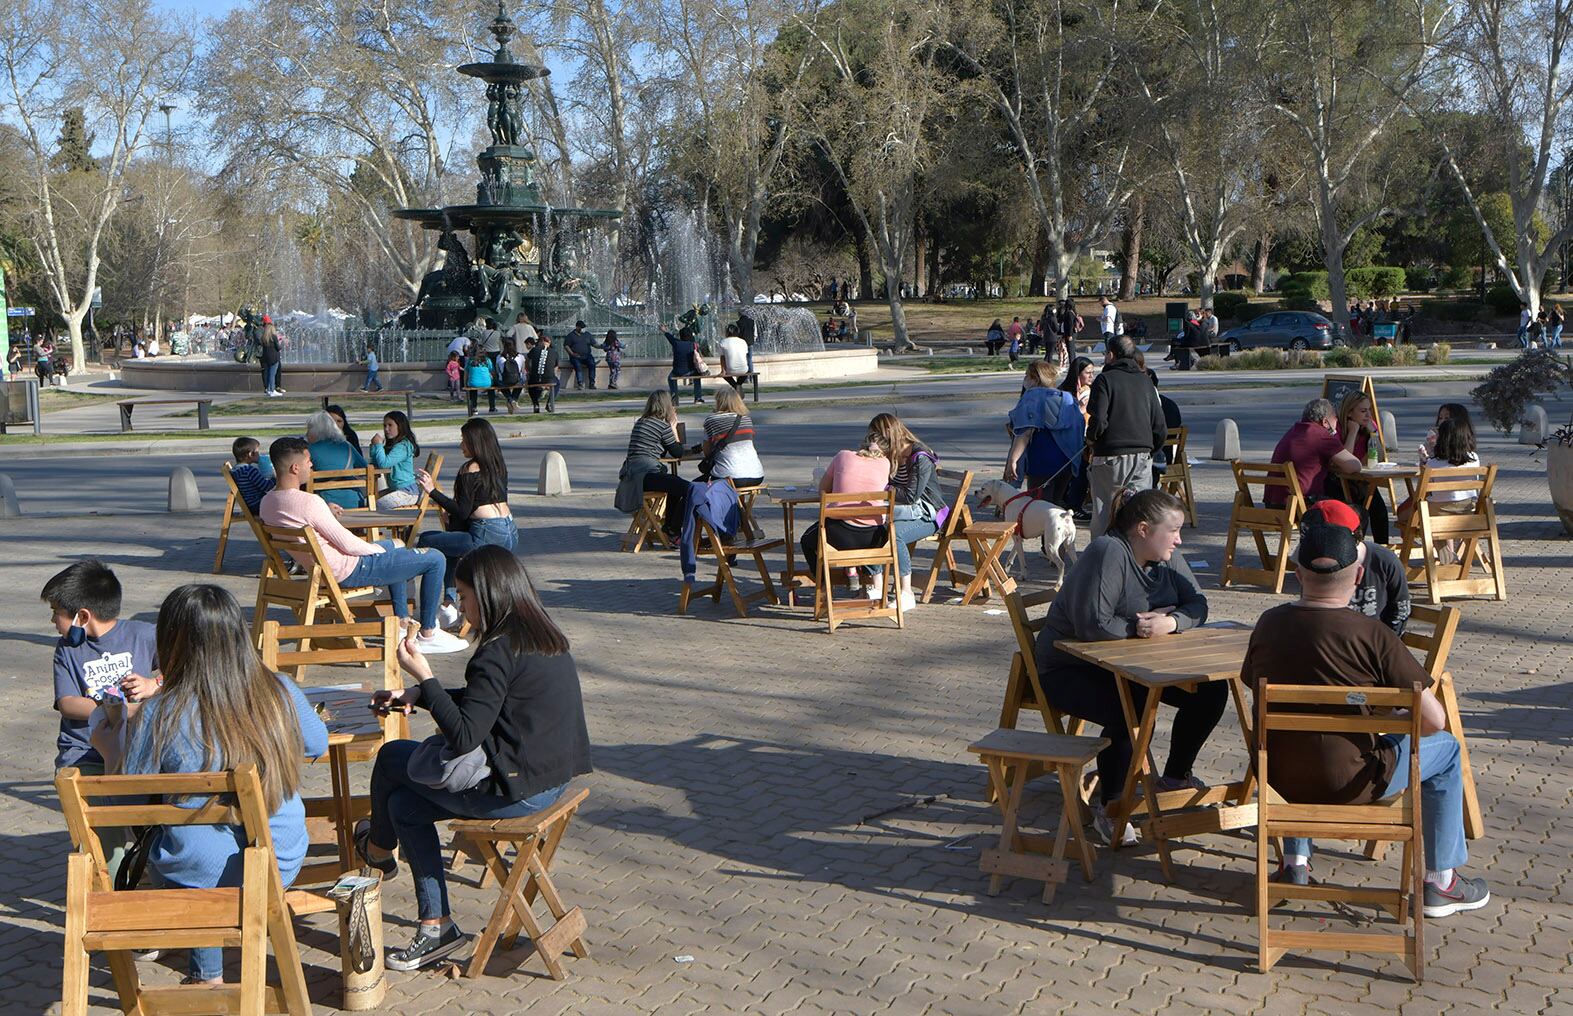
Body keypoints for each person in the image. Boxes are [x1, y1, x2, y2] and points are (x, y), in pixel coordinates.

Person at [354, 547, 592, 971]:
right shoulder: (539, 634)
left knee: (392, 756)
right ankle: (436, 925)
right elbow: (491, 702)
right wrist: (419, 696)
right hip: (551, 778)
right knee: (403, 806)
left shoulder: (496, 651)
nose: (460, 607)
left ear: (486, 594)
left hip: (517, 790)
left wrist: (424, 676)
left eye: (462, 596)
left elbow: (465, 736)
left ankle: (376, 850)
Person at [1244, 522, 1490, 917]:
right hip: (1353, 783)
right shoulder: (1373, 635)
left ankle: (1295, 865)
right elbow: (1433, 721)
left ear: (1297, 573)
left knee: (1295, 738)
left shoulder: (1268, 624)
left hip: (1280, 780)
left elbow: (1255, 684)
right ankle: (1442, 882)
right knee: (1447, 750)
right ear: (1358, 576)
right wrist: (1383, 714)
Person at [114, 583, 328, 986]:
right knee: (203, 851)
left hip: (196, 875)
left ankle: (206, 975)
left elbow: (133, 798)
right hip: (278, 859)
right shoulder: (279, 689)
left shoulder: (159, 711)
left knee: (189, 849)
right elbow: (317, 741)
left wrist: (116, 740)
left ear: (171, 642)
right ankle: (213, 971)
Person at [1033, 489, 1222, 845]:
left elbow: (1198, 603)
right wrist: (1143, 628)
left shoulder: (1167, 557)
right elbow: (1093, 626)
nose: (1180, 539)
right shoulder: (1109, 551)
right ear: (1143, 529)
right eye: (1174, 530)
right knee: (1129, 705)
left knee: (1211, 689)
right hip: (1070, 669)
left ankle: (1176, 778)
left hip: (1136, 666)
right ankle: (1112, 805)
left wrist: (1173, 622)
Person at [261, 437, 467, 653]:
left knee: (396, 545)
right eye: (308, 461)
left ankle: (402, 622)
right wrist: (377, 552)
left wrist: (326, 513)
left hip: (321, 571)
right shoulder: (310, 502)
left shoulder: (267, 503)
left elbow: (301, 520)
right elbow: (347, 543)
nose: (312, 465)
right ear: (295, 468)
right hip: (349, 569)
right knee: (435, 558)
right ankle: (428, 633)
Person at [43, 561, 160, 774]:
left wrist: (155, 683)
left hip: (137, 749)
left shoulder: (144, 636)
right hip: (84, 753)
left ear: (83, 616)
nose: (52, 619)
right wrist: (121, 711)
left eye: (55, 611)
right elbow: (67, 703)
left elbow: (189, 671)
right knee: (103, 803)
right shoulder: (66, 649)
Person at [417, 418, 517, 629]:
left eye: (464, 440)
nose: (460, 445)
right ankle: (449, 603)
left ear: (475, 442)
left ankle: (444, 606)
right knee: (449, 546)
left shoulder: (470, 468)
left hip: (485, 534)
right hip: (509, 532)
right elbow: (471, 509)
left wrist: (431, 491)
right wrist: (452, 520)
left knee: (427, 540)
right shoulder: (497, 465)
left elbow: (462, 510)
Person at [1085, 336, 1165, 539]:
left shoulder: (1105, 380)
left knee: (1105, 510)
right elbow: (1159, 426)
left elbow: (1099, 419)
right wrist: (1150, 450)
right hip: (1142, 455)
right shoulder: (1146, 382)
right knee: (1139, 512)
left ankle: (1103, 558)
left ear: (1111, 355)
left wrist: (1091, 439)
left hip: (1111, 455)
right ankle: (1137, 559)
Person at [867, 413, 944, 611]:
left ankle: (907, 593)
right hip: (902, 512)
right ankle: (876, 586)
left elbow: (911, 496)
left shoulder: (920, 457)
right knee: (869, 527)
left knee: (895, 534)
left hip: (928, 514)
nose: (873, 442)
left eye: (876, 438)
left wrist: (882, 490)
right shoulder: (889, 456)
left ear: (888, 436)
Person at [799, 435, 892, 591]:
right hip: (873, 537)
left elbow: (823, 490)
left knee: (807, 541)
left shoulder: (843, 456)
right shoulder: (885, 463)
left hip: (839, 533)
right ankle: (852, 571)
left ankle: (823, 586)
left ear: (861, 445)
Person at [1304, 500, 1410, 634]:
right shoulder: (1310, 558)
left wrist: (1383, 644)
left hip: (1372, 642)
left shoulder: (1384, 561)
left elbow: (1400, 609)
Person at [1005, 359, 1085, 508]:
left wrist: (1013, 460)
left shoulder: (1032, 398)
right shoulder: (1067, 398)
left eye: (1026, 376)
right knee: (1055, 507)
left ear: (1035, 379)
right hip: (1066, 461)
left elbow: (1024, 433)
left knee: (1038, 508)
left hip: (1040, 461)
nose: (1025, 380)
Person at [615, 391, 696, 535]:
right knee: (687, 488)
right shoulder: (662, 426)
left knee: (674, 485)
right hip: (646, 475)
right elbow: (677, 452)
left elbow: (659, 450)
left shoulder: (640, 422)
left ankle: (669, 528)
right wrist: (673, 427)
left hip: (631, 475)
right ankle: (673, 530)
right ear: (666, 406)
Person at [1265, 398, 1363, 508]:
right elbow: (1354, 466)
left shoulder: (1293, 430)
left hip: (1273, 504)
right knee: (1357, 513)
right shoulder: (1321, 436)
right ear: (1325, 422)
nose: (1337, 422)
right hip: (1300, 506)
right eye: (1335, 418)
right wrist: (1353, 431)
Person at [1336, 389, 1390, 544]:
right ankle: (1354, 549)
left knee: (1380, 511)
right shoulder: (1340, 428)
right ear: (1350, 413)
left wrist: (1374, 435)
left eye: (1369, 410)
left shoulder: (1369, 426)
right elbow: (1345, 460)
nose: (1368, 415)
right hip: (1340, 481)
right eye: (1363, 411)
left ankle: (1382, 549)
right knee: (1356, 514)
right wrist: (1353, 432)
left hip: (1362, 479)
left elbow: (1378, 457)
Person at [700, 387, 764, 486]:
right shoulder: (746, 419)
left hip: (728, 477)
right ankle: (740, 502)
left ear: (718, 401)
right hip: (757, 475)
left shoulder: (711, 420)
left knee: (695, 486)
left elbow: (707, 452)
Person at [304, 409, 368, 509]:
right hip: (354, 501)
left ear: (315, 430)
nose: (306, 434)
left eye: (309, 429)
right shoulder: (347, 446)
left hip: (325, 505)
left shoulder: (309, 451)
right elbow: (365, 468)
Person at [369, 410, 421, 509]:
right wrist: (374, 446)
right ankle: (394, 525)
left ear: (400, 426)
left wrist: (379, 445)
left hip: (407, 492)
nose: (386, 429)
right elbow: (375, 463)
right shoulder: (394, 444)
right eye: (384, 426)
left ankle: (396, 524)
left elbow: (384, 464)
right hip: (394, 489)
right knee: (368, 501)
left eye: (390, 425)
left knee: (375, 506)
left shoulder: (403, 445)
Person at [230, 436, 276, 514]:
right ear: (251, 454)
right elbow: (266, 486)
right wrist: (275, 478)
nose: (259, 454)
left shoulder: (236, 470)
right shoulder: (249, 470)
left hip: (249, 504)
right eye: (258, 452)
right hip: (257, 504)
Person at [665, 325, 704, 404]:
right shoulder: (693, 344)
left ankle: (674, 399)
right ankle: (698, 398)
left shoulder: (676, 343)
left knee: (670, 378)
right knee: (697, 377)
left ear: (681, 336)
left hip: (677, 372)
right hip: (691, 371)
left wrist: (665, 331)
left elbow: (670, 337)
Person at [563, 320, 602, 390]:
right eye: (581, 327)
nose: (583, 329)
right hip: (575, 356)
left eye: (584, 327)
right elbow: (566, 346)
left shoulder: (587, 334)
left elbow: (594, 344)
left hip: (587, 356)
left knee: (592, 364)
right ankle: (580, 383)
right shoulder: (570, 335)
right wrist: (572, 353)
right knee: (578, 366)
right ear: (577, 327)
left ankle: (592, 383)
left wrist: (601, 346)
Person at [526, 333, 559, 413]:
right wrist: (552, 377)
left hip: (535, 378)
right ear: (549, 343)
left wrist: (530, 371)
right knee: (557, 383)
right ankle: (549, 403)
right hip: (549, 379)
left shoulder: (534, 350)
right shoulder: (554, 352)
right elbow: (556, 367)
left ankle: (536, 404)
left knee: (530, 384)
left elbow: (527, 360)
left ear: (540, 342)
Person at [466, 349, 497, 416]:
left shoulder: (470, 361)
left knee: (473, 389)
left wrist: (465, 383)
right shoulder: (487, 360)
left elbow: (466, 373)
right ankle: (492, 407)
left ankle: (474, 408)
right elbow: (492, 372)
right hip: (487, 383)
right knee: (491, 389)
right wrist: (495, 380)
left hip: (473, 383)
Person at [498, 339, 525, 413]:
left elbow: (498, 372)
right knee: (521, 382)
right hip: (517, 381)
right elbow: (522, 371)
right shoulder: (520, 357)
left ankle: (510, 400)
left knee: (500, 383)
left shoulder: (499, 357)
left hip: (504, 381)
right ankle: (514, 400)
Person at [259, 318, 283, 396]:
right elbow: (278, 347)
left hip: (266, 358)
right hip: (274, 358)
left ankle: (269, 389)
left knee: (269, 374)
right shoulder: (274, 336)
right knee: (272, 374)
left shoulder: (263, 337)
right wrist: (280, 344)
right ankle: (272, 390)